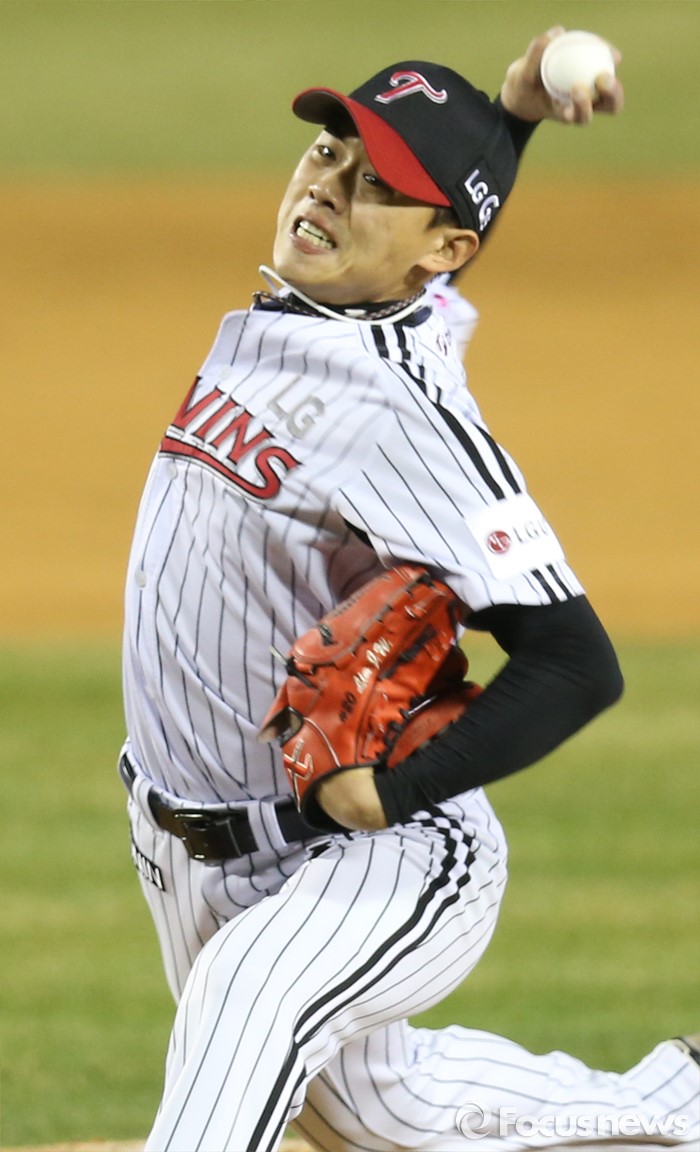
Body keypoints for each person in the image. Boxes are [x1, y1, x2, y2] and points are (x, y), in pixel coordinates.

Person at [118, 28, 699, 1152]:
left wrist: (393, 795)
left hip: (380, 852)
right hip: (201, 849)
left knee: (249, 1003)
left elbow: (577, 662)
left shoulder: (406, 419)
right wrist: (511, 116)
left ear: (441, 246)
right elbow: (437, 241)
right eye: (331, 152)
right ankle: (681, 1104)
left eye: (377, 184)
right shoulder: (338, 305)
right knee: (385, 1115)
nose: (328, 186)